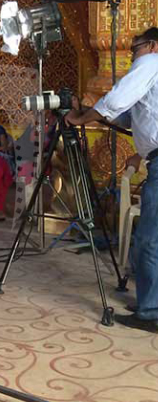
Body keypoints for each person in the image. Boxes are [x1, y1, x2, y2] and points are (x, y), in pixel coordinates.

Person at [67, 27, 158, 333]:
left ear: (153, 46)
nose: (132, 56)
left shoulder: (152, 62)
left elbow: (117, 100)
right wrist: (88, 110)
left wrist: (80, 119)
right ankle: (151, 300)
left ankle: (151, 312)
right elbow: (132, 117)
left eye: (135, 49)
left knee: (149, 240)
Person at [0, 110, 58, 223]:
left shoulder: (53, 127)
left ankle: (29, 214)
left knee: (19, 171)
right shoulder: (36, 124)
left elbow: (42, 144)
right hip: (17, 157)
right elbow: (22, 141)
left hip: (33, 160)